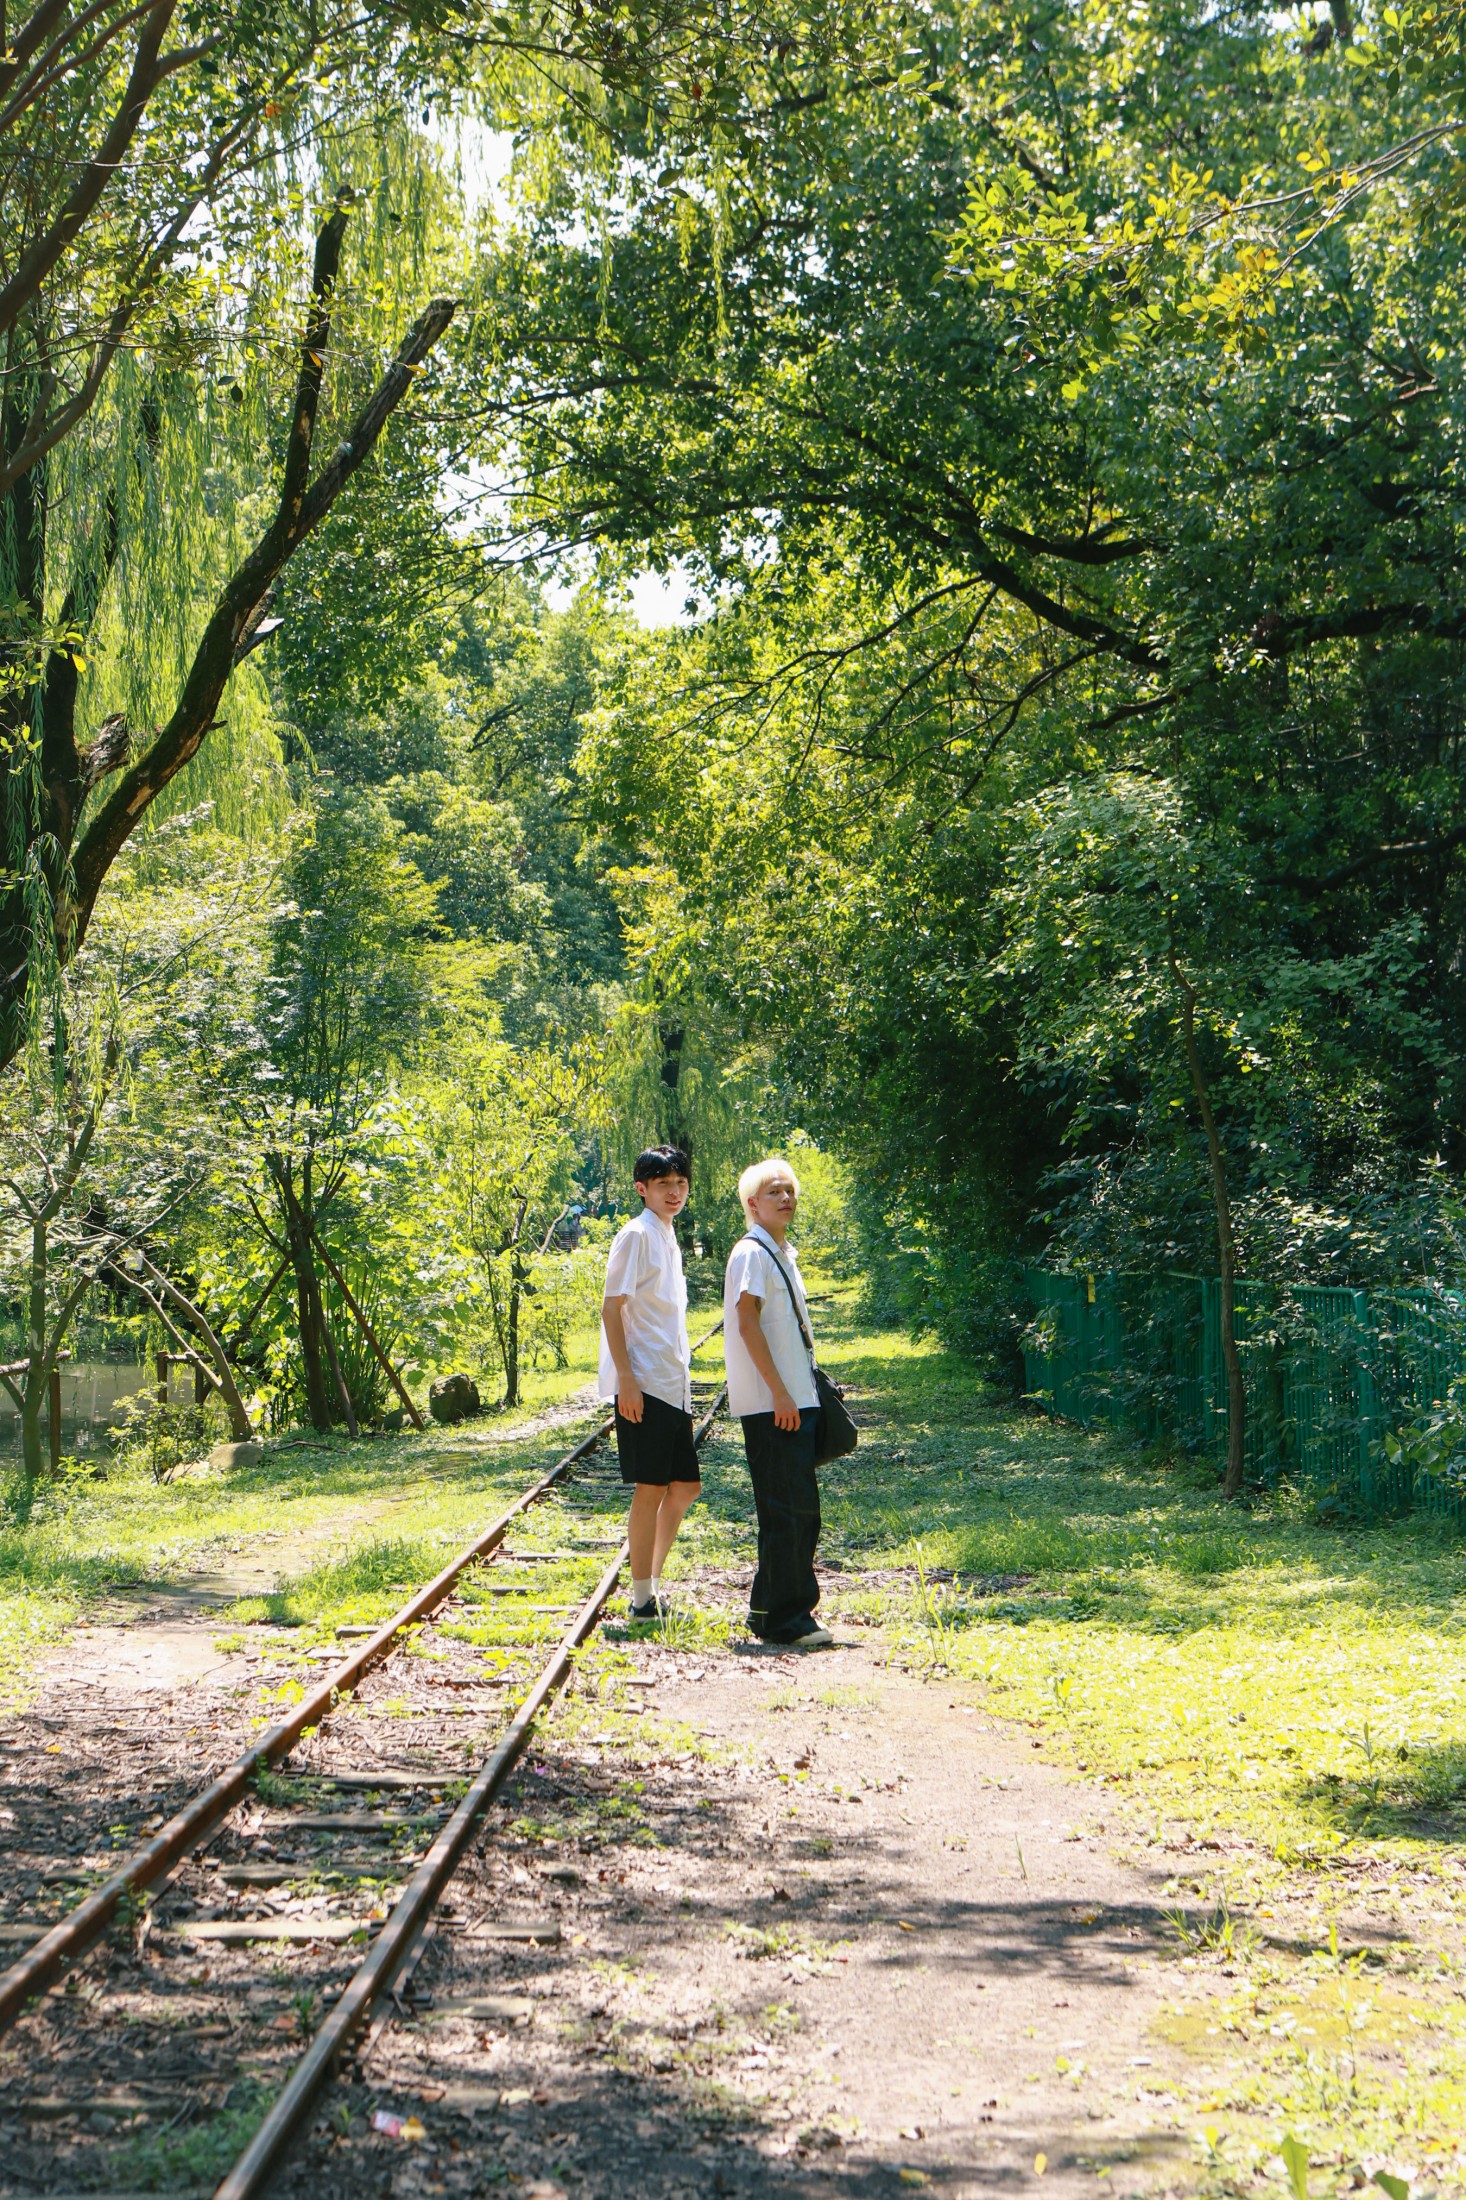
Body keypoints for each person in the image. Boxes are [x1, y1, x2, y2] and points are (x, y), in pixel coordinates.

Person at [723, 1156, 832, 1649]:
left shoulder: (780, 1251)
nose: (786, 1198)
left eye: (789, 1190)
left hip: (792, 1399)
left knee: (795, 1508)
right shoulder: (752, 1253)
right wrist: (781, 1393)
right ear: (752, 1204)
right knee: (790, 1509)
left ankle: (770, 1612)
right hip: (775, 1404)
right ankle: (790, 1618)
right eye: (774, 1192)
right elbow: (746, 1325)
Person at [599, 1145, 699, 1622]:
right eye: (664, 1185)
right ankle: (641, 1599)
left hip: (671, 1379)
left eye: (680, 1184)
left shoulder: (667, 1233)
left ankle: (650, 1583)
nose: (674, 1192)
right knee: (652, 1487)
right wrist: (626, 1380)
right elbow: (611, 1308)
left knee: (685, 1487)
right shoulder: (635, 1235)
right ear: (642, 1189)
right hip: (645, 1380)